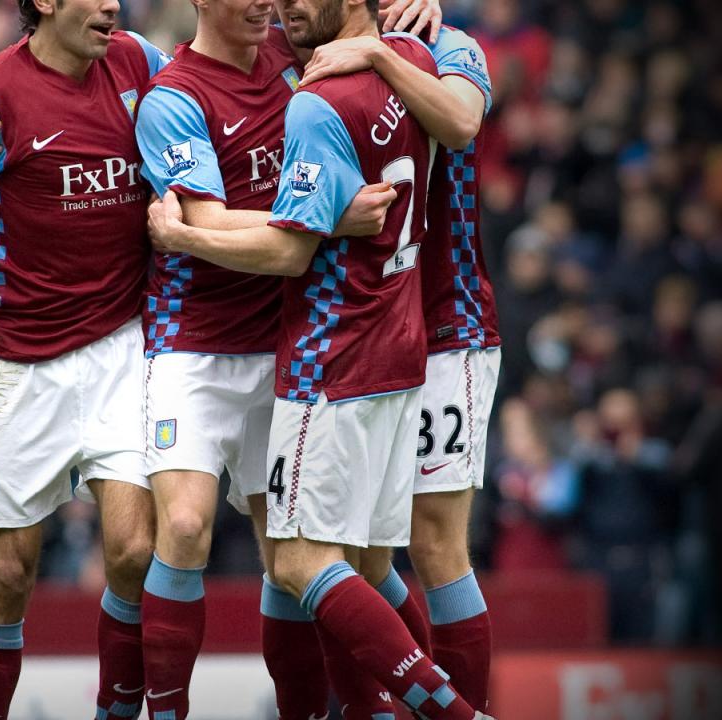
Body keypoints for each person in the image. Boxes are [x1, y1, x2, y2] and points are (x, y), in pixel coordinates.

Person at [147, 0, 490, 717]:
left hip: (361, 342)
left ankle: (458, 712)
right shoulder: (360, 58)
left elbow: (293, 247)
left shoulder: (396, 61)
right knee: (354, 560)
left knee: (323, 557)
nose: (281, 5)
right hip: (387, 339)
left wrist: (183, 238)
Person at [0, 0, 170, 715]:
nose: (113, 5)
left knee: (134, 553)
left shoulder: (138, 62)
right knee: (8, 574)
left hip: (124, 346)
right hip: (20, 364)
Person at [301, 13, 500, 711]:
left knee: (435, 539)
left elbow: (462, 123)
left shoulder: (452, 45)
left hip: (448, 323)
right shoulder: (314, 50)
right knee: (353, 550)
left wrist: (381, 58)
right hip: (368, 330)